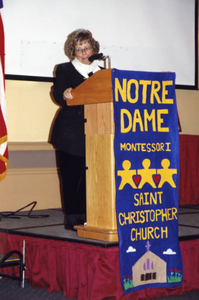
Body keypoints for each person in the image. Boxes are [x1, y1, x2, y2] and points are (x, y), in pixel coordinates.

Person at [50, 29, 102, 230]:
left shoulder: (102, 72)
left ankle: (90, 215)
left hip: (97, 131)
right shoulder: (64, 69)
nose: (83, 53)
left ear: (93, 48)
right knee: (71, 177)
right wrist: (65, 93)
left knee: (91, 177)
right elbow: (58, 95)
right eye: (79, 49)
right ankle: (72, 218)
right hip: (70, 133)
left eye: (86, 48)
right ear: (73, 51)